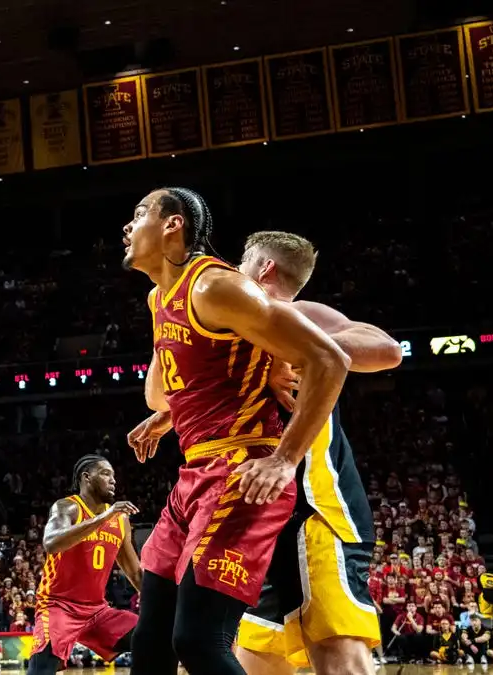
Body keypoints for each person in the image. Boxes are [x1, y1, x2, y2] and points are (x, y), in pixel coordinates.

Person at [121, 188, 350, 675]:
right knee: (151, 639)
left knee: (200, 640)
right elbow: (174, 389)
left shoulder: (217, 287)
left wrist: (285, 459)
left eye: (140, 214)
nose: (127, 225)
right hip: (193, 473)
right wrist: (167, 417)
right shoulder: (159, 297)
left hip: (241, 471)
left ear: (172, 225)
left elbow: (332, 358)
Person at [231, 231, 403, 675]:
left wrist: (296, 349)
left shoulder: (295, 316)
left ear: (263, 268)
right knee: (253, 662)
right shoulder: (233, 326)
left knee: (340, 659)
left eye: (243, 261)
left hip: (316, 509)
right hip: (261, 516)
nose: (234, 270)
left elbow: (386, 350)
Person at [27, 455, 142, 674]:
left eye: (114, 476)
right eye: (106, 473)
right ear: (86, 478)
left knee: (153, 637)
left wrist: (164, 608)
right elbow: (51, 543)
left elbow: (135, 573)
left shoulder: (121, 521)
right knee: (41, 668)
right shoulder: (68, 507)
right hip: (57, 605)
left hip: (97, 611)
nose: (113, 480)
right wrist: (104, 517)